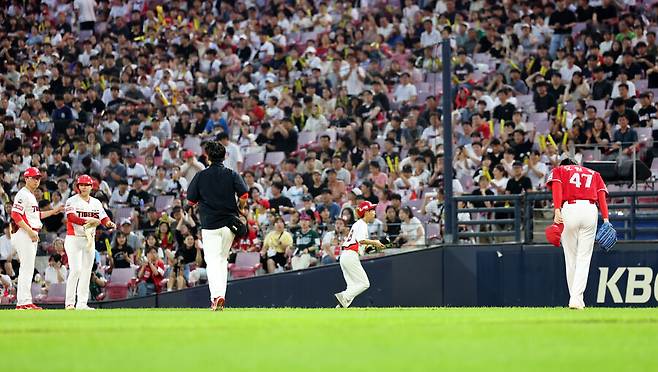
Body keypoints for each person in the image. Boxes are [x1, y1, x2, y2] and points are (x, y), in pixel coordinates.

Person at [187, 141, 249, 311]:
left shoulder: (201, 176)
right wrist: (241, 206)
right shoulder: (231, 174)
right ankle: (220, 296)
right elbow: (244, 194)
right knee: (222, 260)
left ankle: (216, 297)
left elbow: (191, 200)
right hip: (230, 224)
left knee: (213, 262)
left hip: (210, 225)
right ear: (224, 156)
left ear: (207, 157)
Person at [547, 158, 609, 310]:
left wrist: (556, 209)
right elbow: (601, 196)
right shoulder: (594, 173)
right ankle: (577, 299)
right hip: (590, 210)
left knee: (571, 257)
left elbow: (557, 187)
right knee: (584, 258)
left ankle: (574, 299)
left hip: (570, 209)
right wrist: (606, 219)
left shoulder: (560, 170)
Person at [11, 167, 64, 310]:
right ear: (26, 178)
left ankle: (24, 302)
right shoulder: (23, 194)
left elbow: (36, 215)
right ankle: (23, 302)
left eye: (38, 178)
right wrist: (29, 231)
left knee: (27, 269)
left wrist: (54, 211)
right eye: (34, 177)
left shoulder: (30, 195)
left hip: (28, 232)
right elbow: (15, 216)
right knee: (26, 269)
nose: (36, 180)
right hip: (24, 233)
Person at [64, 174, 116, 310]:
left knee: (87, 271)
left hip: (89, 240)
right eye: (81, 184)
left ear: (91, 186)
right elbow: (71, 217)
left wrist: (109, 223)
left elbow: (103, 217)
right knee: (75, 270)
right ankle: (69, 303)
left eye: (87, 184)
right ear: (77, 186)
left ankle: (82, 303)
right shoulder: (71, 200)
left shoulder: (96, 202)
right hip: (74, 239)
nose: (84, 187)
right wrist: (88, 221)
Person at [334, 201, 385, 308]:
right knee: (364, 283)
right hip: (351, 255)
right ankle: (343, 295)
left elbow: (361, 244)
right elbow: (361, 240)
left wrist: (372, 247)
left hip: (346, 255)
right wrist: (375, 242)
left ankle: (338, 309)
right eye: (372, 211)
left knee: (352, 286)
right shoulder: (362, 224)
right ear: (366, 212)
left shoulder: (357, 224)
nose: (374, 213)